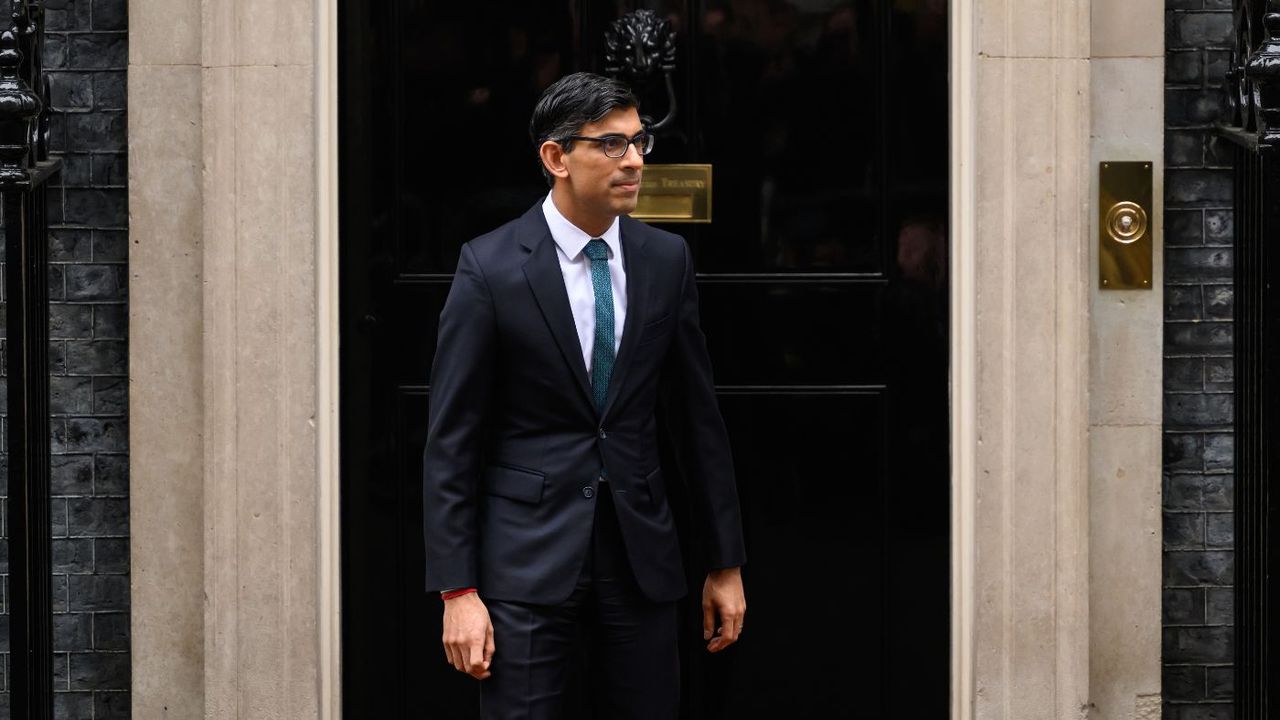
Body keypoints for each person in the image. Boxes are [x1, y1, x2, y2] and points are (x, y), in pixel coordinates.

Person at [421, 71, 747, 719]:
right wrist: (457, 589)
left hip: (642, 558)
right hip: (525, 562)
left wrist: (724, 560)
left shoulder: (665, 259)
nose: (634, 161)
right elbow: (452, 440)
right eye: (611, 145)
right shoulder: (491, 267)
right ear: (556, 158)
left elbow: (695, 421)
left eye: (638, 142)